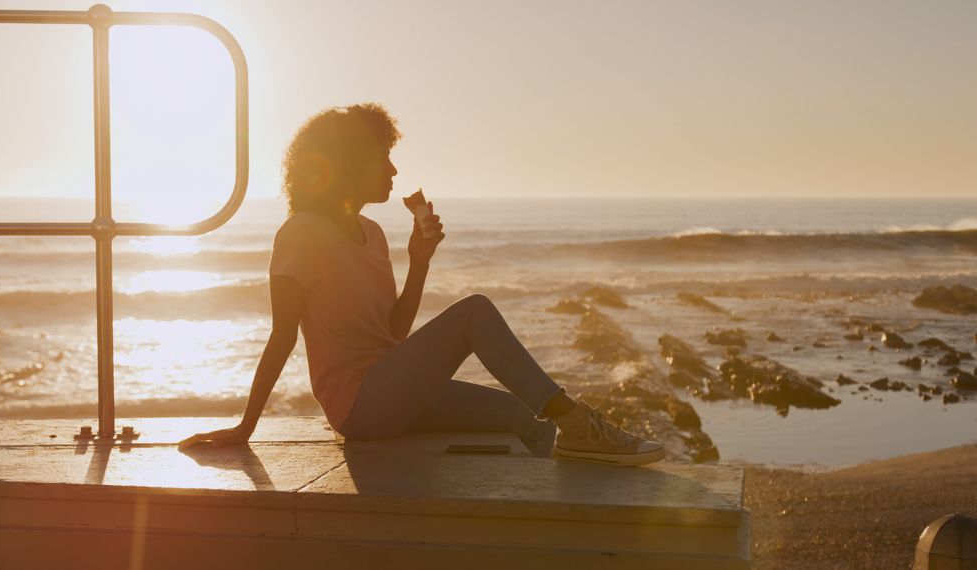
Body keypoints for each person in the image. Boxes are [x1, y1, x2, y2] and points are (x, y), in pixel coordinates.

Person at [178, 103, 664, 465]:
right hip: (358, 406)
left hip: (394, 391)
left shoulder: (370, 234)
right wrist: (246, 427)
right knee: (473, 312)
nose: (392, 170)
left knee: (522, 418)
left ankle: (552, 510)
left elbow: (391, 334)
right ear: (346, 163)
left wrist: (419, 262)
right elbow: (282, 335)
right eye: (381, 158)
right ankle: (578, 420)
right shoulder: (301, 232)